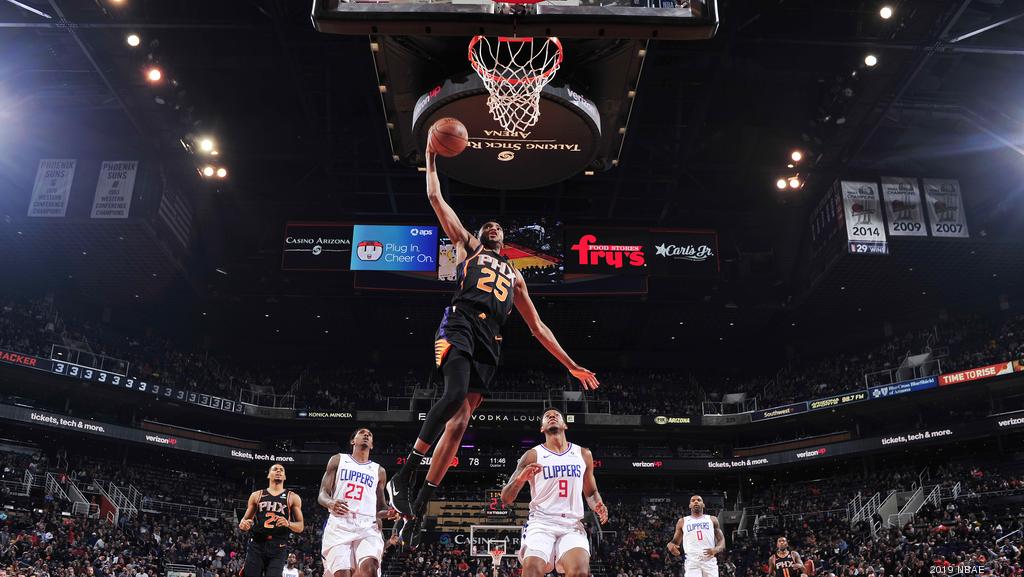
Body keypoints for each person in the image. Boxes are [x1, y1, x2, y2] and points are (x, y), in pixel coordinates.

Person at [385, 142, 600, 549]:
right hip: (460, 322)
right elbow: (435, 197)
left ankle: (419, 506)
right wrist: (430, 156)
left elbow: (538, 328)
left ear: (507, 239)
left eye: (499, 227)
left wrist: (571, 364)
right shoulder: (469, 246)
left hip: (491, 342)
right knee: (451, 394)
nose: (493, 228)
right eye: (489, 225)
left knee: (461, 423)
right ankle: (405, 473)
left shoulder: (516, 277)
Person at [500, 408, 608, 577]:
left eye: (556, 415)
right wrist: (520, 479)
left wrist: (598, 505)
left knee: (580, 572)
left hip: (571, 525)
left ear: (564, 425)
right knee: (532, 571)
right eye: (547, 416)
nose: (551, 416)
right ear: (542, 428)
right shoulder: (532, 455)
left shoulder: (583, 454)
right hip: (541, 523)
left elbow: (591, 492)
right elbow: (506, 498)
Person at [320, 428, 399, 577]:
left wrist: (390, 512)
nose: (366, 435)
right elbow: (322, 494)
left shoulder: (378, 471)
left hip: (367, 526)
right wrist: (330, 503)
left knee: (370, 569)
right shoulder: (338, 460)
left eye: (369, 435)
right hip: (340, 524)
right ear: (353, 441)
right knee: (342, 574)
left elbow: (380, 508)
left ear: (372, 445)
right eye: (362, 433)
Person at [239, 464, 305, 577]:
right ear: (269, 475)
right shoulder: (256, 495)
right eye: (275, 469)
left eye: (281, 470)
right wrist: (243, 525)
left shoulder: (292, 497)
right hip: (257, 544)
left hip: (278, 547)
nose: (279, 471)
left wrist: (288, 523)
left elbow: (300, 526)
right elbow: (244, 521)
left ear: (284, 477)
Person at [666, 495, 725, 577]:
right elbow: (675, 542)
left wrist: (716, 549)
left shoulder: (712, 519)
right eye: (693, 500)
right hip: (692, 562)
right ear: (690, 505)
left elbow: (721, 540)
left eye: (699, 500)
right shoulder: (682, 521)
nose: (696, 502)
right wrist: (670, 545)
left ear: (703, 504)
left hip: (709, 560)